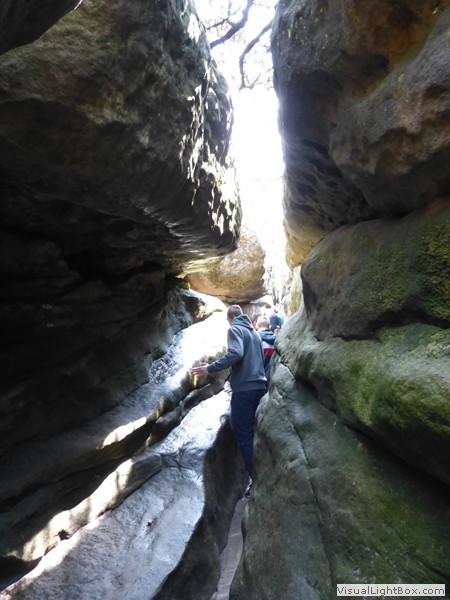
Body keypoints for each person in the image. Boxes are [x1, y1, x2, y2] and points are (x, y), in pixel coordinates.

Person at [191, 305, 266, 498]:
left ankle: (256, 480)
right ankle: (261, 472)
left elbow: (236, 353)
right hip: (260, 387)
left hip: (244, 390)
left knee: (245, 434)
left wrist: (209, 368)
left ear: (229, 319)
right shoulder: (255, 334)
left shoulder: (234, 329)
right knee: (255, 432)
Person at [255, 316, 276, 384]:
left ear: (257, 326)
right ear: (269, 327)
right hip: (271, 378)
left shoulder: (255, 339)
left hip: (256, 378)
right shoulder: (276, 340)